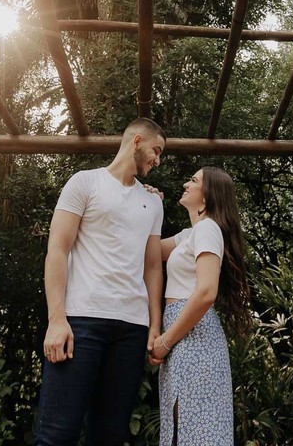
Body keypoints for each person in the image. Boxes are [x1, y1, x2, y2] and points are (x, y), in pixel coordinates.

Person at [34, 118, 166, 446]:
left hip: (131, 331)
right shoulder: (84, 183)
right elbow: (57, 250)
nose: (158, 160)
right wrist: (56, 319)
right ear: (136, 141)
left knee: (109, 437)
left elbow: (152, 266)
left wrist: (154, 323)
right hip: (81, 323)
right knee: (56, 435)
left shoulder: (153, 201)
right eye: (156, 150)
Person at [149, 167, 250, 446]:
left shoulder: (207, 229)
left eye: (193, 180)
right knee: (184, 431)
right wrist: (149, 208)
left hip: (193, 338)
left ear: (207, 197)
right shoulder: (190, 234)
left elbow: (206, 292)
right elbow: (148, 252)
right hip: (185, 334)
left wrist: (166, 341)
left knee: (194, 431)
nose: (185, 183)